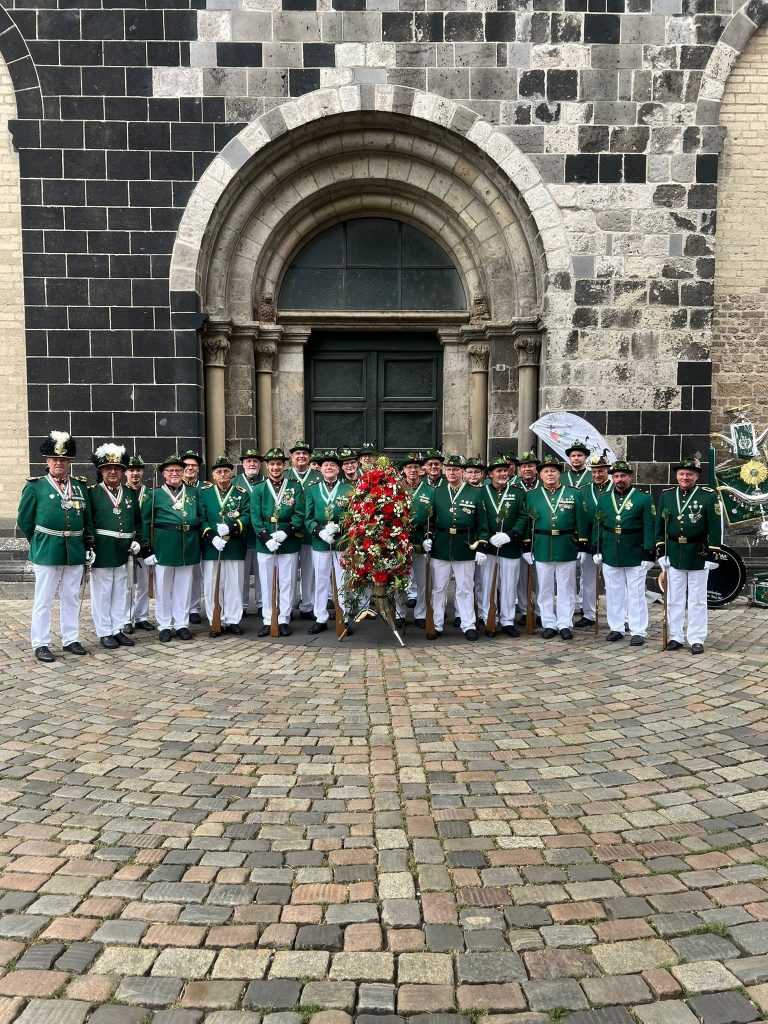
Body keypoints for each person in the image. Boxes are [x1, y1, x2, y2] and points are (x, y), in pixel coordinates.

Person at [17, 431, 92, 662]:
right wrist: (39, 541)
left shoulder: (79, 487)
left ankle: (70, 639)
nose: (59, 462)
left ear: (69, 462)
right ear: (47, 461)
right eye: (55, 459)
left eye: (64, 459)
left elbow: (87, 519)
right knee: (44, 599)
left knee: (71, 597)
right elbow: (25, 520)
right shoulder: (35, 486)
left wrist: (88, 545)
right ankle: (40, 643)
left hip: (74, 550)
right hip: (47, 549)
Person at [655, 456, 722, 655]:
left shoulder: (708, 496)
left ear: (696, 476)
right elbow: (660, 526)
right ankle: (676, 636)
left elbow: (715, 527)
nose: (685, 477)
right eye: (682, 474)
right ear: (677, 476)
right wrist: (661, 551)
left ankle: (696, 638)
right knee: (674, 598)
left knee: (697, 599)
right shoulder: (667, 496)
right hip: (674, 552)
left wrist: (713, 553)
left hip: (698, 553)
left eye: (690, 474)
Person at [423, 454, 489, 641]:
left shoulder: (476, 493)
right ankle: (436, 624)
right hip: (441, 546)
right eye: (449, 469)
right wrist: (428, 537)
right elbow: (430, 520)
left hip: (465, 546)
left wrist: (482, 546)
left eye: (456, 469)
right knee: (438, 588)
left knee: (465, 588)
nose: (452, 472)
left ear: (463, 472)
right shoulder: (437, 492)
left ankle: (468, 624)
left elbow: (482, 523)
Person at [522, 453, 588, 640]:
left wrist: (582, 544)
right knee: (544, 587)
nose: (550, 474)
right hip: (542, 545)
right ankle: (549, 623)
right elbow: (527, 522)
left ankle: (565, 623)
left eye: (553, 471)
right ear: (540, 475)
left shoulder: (573, 493)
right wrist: (527, 547)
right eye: (546, 471)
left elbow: (581, 520)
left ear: (559, 474)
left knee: (567, 587)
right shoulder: (532, 495)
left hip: (566, 545)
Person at [592, 460, 656, 646]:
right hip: (611, 551)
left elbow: (649, 526)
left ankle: (638, 630)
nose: (619, 479)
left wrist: (649, 552)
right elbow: (598, 524)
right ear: (612, 478)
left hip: (635, 551)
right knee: (613, 592)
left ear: (630, 477)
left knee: (636, 593)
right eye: (616, 476)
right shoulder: (604, 498)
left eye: (623, 476)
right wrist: (596, 547)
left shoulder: (643, 498)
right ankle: (617, 627)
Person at [141, 454, 203, 642]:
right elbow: (145, 522)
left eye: (178, 470)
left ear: (183, 472)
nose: (174, 473)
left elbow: (200, 516)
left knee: (184, 587)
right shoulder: (155, 494)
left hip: (188, 545)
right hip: (164, 546)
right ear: (164, 474)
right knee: (163, 588)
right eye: (170, 470)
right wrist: (147, 548)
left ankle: (182, 624)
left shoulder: (193, 492)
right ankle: (165, 625)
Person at [87, 443, 142, 650]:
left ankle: (117, 629)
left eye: (117, 468)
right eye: (108, 468)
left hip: (124, 550)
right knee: (102, 593)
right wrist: (89, 546)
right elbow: (87, 522)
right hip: (102, 549)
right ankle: (104, 632)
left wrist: (137, 540)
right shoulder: (93, 493)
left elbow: (138, 521)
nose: (113, 472)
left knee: (121, 592)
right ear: (101, 471)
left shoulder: (129, 493)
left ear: (122, 472)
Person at [251, 447, 305, 638]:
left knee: (287, 582)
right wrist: (265, 538)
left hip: (288, 541)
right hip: (265, 542)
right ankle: (268, 620)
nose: (275, 467)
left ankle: (283, 620)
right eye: (272, 464)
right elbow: (255, 516)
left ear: (284, 466)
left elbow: (300, 513)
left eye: (279, 464)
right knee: (266, 583)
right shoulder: (259, 488)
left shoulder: (295, 487)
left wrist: (286, 532)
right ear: (267, 466)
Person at [304, 452, 355, 634]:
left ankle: (344, 616)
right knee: (321, 580)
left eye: (333, 465)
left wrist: (341, 528)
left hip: (341, 542)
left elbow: (354, 516)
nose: (329, 468)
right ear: (320, 469)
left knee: (343, 580)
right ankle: (321, 617)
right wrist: (320, 532)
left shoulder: (348, 489)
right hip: (320, 541)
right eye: (325, 465)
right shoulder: (312, 489)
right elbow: (307, 517)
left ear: (339, 468)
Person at [199, 456, 249, 637]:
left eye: (226, 471)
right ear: (213, 475)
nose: (223, 474)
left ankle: (233, 620)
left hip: (234, 546)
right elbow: (200, 518)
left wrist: (231, 527)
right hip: (212, 547)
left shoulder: (241, 493)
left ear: (231, 474)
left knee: (234, 585)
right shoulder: (204, 493)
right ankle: (216, 621)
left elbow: (246, 515)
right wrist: (212, 537)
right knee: (212, 584)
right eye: (219, 471)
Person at [480, 456, 527, 638]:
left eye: (505, 470)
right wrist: (488, 538)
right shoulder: (481, 492)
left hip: (510, 546)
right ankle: (489, 618)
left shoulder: (518, 493)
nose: (503, 474)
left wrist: (510, 534)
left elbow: (523, 517)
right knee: (488, 584)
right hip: (490, 547)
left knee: (509, 585)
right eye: (498, 471)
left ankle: (507, 621)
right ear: (490, 474)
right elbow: (478, 518)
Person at [397, 452, 434, 628]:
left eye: (416, 467)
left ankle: (421, 613)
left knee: (422, 579)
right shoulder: (396, 489)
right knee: (399, 579)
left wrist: (429, 536)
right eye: (409, 467)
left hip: (420, 538)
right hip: (399, 539)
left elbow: (434, 518)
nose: (413, 470)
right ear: (404, 470)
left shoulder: (430, 491)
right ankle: (399, 612)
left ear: (422, 470)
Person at [576, 453, 613, 628]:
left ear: (607, 471)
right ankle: (589, 613)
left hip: (611, 541)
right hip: (590, 542)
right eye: (594, 471)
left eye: (601, 471)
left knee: (613, 581)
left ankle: (619, 616)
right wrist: (582, 544)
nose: (597, 474)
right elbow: (580, 518)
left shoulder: (615, 488)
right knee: (588, 579)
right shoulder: (583, 491)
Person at [286, 439, 320, 620]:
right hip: (288, 532)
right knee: (288, 573)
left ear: (309, 457)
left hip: (309, 532)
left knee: (309, 571)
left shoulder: (318, 477)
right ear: (292, 457)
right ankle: (288, 606)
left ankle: (307, 605)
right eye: (297, 453)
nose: (301, 456)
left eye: (304, 453)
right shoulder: (284, 476)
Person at [124, 454, 154, 632]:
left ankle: (142, 616)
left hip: (145, 544)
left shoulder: (150, 494)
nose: (135, 473)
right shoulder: (122, 492)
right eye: (131, 470)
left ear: (143, 472)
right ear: (125, 472)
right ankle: (127, 619)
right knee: (128, 584)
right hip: (127, 544)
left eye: (138, 470)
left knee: (143, 583)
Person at [233, 447, 263, 618]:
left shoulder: (266, 481)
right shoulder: (234, 482)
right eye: (249, 461)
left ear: (260, 464)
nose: (252, 464)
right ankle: (242, 605)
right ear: (243, 464)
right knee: (241, 574)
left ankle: (262, 604)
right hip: (241, 535)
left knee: (262, 573)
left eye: (255, 461)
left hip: (261, 535)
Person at [516, 451, 541, 625]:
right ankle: (525, 611)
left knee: (541, 579)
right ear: (519, 469)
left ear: (536, 469)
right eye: (524, 466)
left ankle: (539, 611)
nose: (527, 469)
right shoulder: (513, 486)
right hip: (518, 539)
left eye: (530, 466)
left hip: (540, 538)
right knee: (522, 578)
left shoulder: (543, 486)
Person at [181, 450, 204, 624]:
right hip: (180, 536)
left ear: (198, 468)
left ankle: (194, 608)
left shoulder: (205, 488)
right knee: (181, 573)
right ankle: (181, 607)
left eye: (194, 465)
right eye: (187, 465)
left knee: (197, 573)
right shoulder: (174, 486)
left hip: (200, 535)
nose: (190, 468)